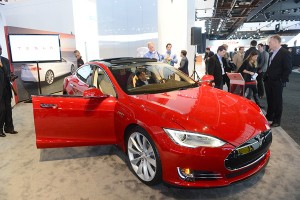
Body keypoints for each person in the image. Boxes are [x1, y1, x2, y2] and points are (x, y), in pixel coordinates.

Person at [264, 35, 292, 127]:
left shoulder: (285, 53)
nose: (269, 44)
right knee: (270, 100)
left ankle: (276, 120)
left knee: (277, 101)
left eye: (270, 42)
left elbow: (288, 69)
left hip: (277, 82)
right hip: (268, 80)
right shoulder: (272, 52)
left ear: (276, 42)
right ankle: (269, 117)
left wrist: (281, 80)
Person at [0, 45, 18, 137]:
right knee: (1, 110)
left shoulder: (5, 60)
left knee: (8, 109)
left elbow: (9, 73)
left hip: (7, 89)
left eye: (0, 49)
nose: (0, 50)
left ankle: (9, 128)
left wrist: (12, 76)